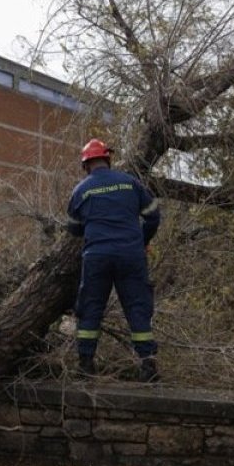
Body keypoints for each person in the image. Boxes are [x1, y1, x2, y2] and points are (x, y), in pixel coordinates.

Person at [66, 139, 162, 382]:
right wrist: (141, 240)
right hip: (131, 254)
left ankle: (86, 364)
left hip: (96, 257)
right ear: (108, 159)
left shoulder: (80, 190)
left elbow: (74, 229)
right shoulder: (130, 183)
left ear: (85, 165)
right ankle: (148, 365)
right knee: (137, 307)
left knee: (91, 307)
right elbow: (153, 216)